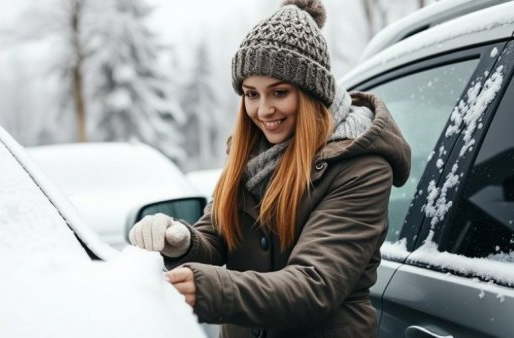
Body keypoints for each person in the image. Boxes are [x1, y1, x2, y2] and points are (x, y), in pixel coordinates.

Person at [128, 0, 411, 337]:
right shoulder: (251, 155)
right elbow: (217, 235)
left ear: (310, 92)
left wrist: (210, 288)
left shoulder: (361, 167)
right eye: (251, 94)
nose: (263, 110)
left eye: (279, 92)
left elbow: (314, 285)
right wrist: (182, 241)